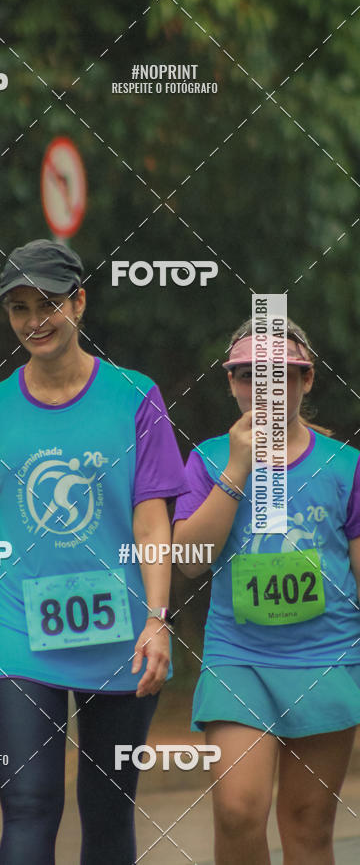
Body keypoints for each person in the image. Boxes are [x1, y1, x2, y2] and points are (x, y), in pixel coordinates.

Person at [0, 239, 189, 865]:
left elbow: (151, 523)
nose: (34, 320)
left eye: (49, 303)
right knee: (30, 805)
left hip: (120, 625)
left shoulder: (135, 398)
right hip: (16, 629)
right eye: (19, 308)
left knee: (108, 806)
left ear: (80, 301)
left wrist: (157, 620)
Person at [173, 318, 360, 865]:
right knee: (236, 810)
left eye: (282, 376)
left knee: (307, 828)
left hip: (326, 658)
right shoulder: (208, 460)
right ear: (232, 384)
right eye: (251, 376)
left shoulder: (345, 467)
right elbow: (186, 563)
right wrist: (237, 468)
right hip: (240, 658)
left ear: (306, 382)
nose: (266, 390)